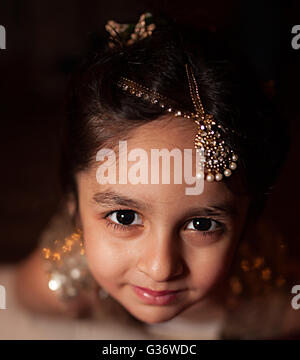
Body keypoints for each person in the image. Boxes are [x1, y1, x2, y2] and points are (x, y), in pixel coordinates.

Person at [14, 12, 300, 339]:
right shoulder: (52, 286)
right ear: (72, 203)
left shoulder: (275, 303)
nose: (160, 268)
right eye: (124, 216)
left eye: (202, 224)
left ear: (249, 219)